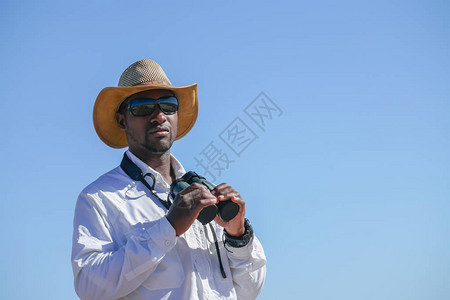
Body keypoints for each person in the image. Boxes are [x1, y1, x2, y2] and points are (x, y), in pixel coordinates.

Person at [71, 59, 267, 300]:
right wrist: (169, 227)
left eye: (168, 105)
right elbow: (89, 287)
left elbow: (249, 290)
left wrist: (238, 236)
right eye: (142, 107)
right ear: (122, 120)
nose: (159, 116)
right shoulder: (99, 199)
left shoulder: (203, 194)